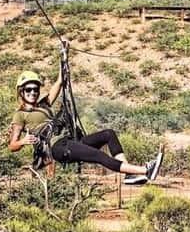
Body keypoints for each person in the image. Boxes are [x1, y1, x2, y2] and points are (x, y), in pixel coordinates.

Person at [9, 44, 163, 185]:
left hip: (69, 140)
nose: (33, 92)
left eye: (35, 89)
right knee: (98, 155)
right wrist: (23, 141)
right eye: (28, 89)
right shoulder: (20, 115)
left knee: (108, 134)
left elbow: (60, 81)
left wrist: (63, 56)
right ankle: (145, 170)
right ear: (21, 92)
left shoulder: (44, 104)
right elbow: (12, 146)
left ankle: (129, 174)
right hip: (57, 147)